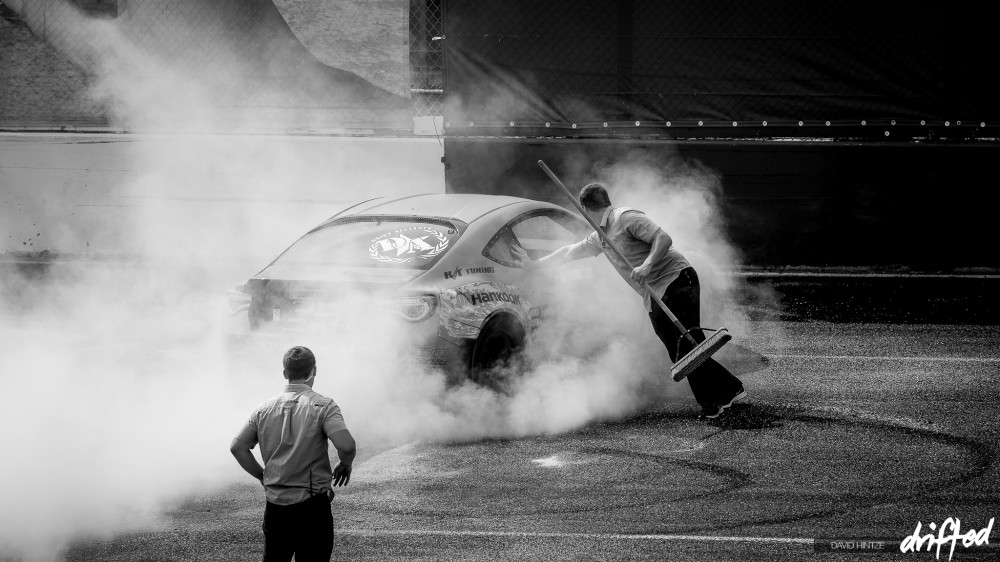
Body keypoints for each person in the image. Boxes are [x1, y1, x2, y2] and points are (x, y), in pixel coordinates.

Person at [512, 183, 746, 419]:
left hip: (677, 280)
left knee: (686, 348)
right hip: (656, 293)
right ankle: (731, 389)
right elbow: (570, 251)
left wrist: (647, 265)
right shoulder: (600, 236)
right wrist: (536, 265)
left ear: (585, 208)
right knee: (685, 348)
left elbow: (663, 238)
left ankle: (714, 403)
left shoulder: (625, 218)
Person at [231, 346, 357, 562]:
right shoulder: (323, 406)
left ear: (284, 373)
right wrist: (345, 464)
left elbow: (237, 448)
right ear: (314, 371)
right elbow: (346, 446)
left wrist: (263, 476)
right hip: (312, 507)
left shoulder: (264, 408)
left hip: (276, 507)